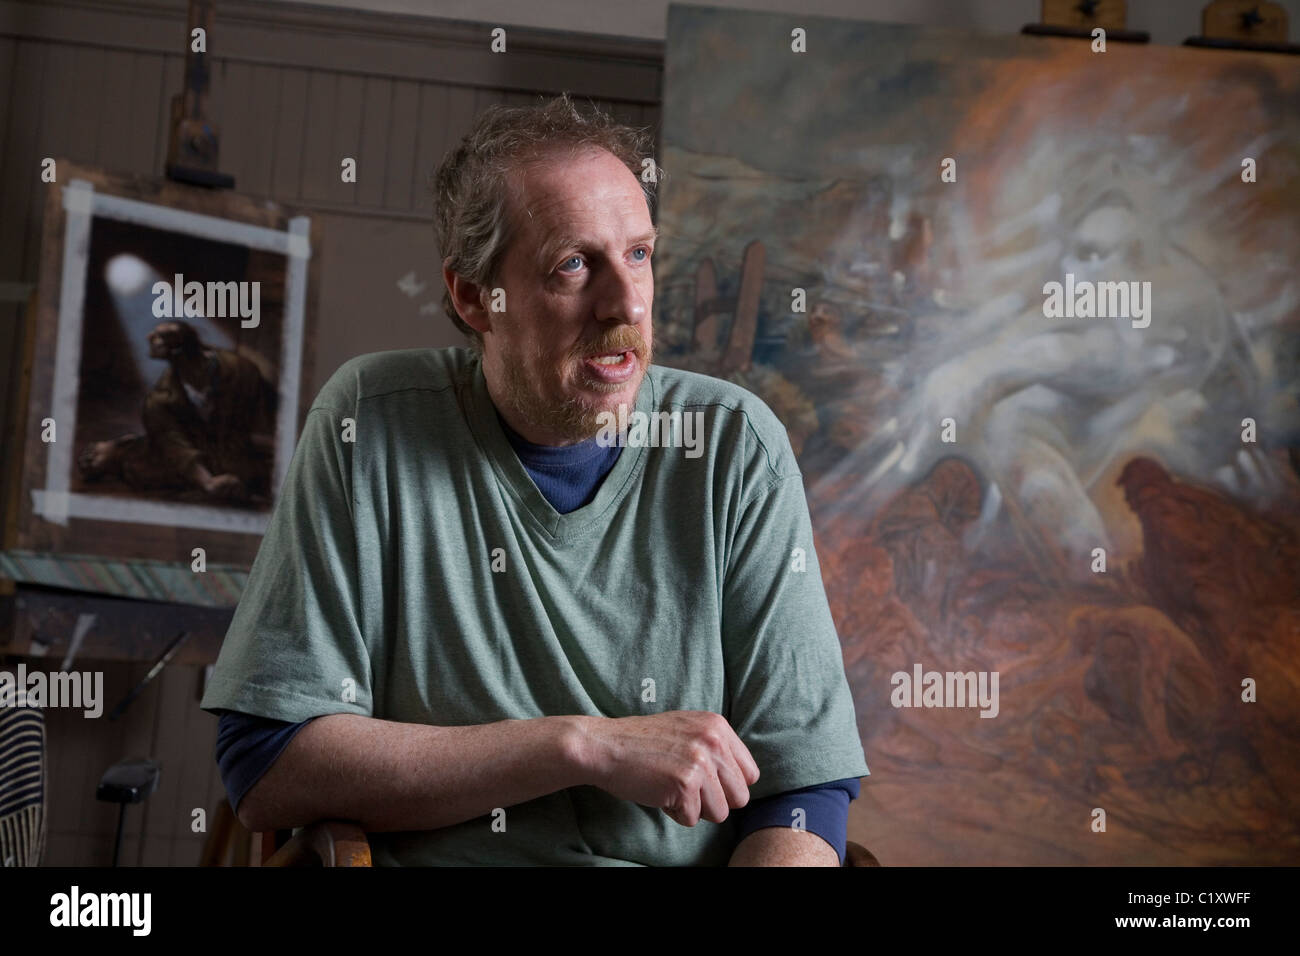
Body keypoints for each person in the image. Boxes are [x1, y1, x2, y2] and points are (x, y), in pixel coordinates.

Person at [200, 93, 869, 866]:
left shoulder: (734, 446)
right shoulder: (370, 422)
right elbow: (267, 764)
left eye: (640, 254)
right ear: (471, 297)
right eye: (574, 264)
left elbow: (804, 789)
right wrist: (577, 746)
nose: (625, 303)